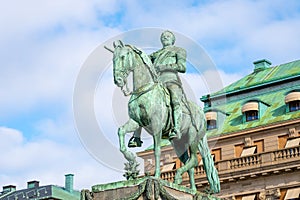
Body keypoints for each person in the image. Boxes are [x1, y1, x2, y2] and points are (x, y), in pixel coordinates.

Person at [128, 30, 187, 147]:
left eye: (168, 36)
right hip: (156, 83)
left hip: (171, 80)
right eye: (163, 36)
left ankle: (176, 128)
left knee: (175, 100)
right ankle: (136, 137)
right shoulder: (156, 54)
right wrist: (133, 51)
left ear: (173, 39)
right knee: (141, 103)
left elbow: (182, 67)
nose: (165, 37)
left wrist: (163, 67)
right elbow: (143, 60)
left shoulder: (179, 51)